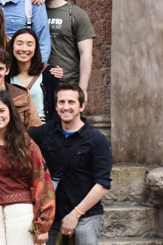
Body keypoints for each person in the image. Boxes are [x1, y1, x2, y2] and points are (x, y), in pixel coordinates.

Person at [28, 83, 112, 245]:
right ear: (56, 106)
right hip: (50, 213)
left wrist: (75, 214)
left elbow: (102, 184)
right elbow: (16, 139)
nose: (66, 107)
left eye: (71, 102)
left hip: (85, 214)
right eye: (61, 102)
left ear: (82, 106)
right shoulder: (45, 133)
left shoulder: (96, 140)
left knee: (85, 236)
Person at [0, 91, 54, 245]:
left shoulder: (26, 144)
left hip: (23, 215)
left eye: (2, 110)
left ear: (10, 112)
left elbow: (43, 181)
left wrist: (43, 224)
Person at [37, 0, 96, 96]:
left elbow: (86, 54)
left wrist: (83, 89)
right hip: (38, 85)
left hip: (68, 86)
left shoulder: (77, 15)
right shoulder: (33, 12)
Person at [8, 28, 62, 123]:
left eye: (29, 44)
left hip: (43, 130)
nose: (24, 49)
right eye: (19, 43)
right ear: (12, 46)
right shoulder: (5, 75)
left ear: (35, 48)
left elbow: (56, 109)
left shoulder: (49, 72)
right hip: (14, 131)